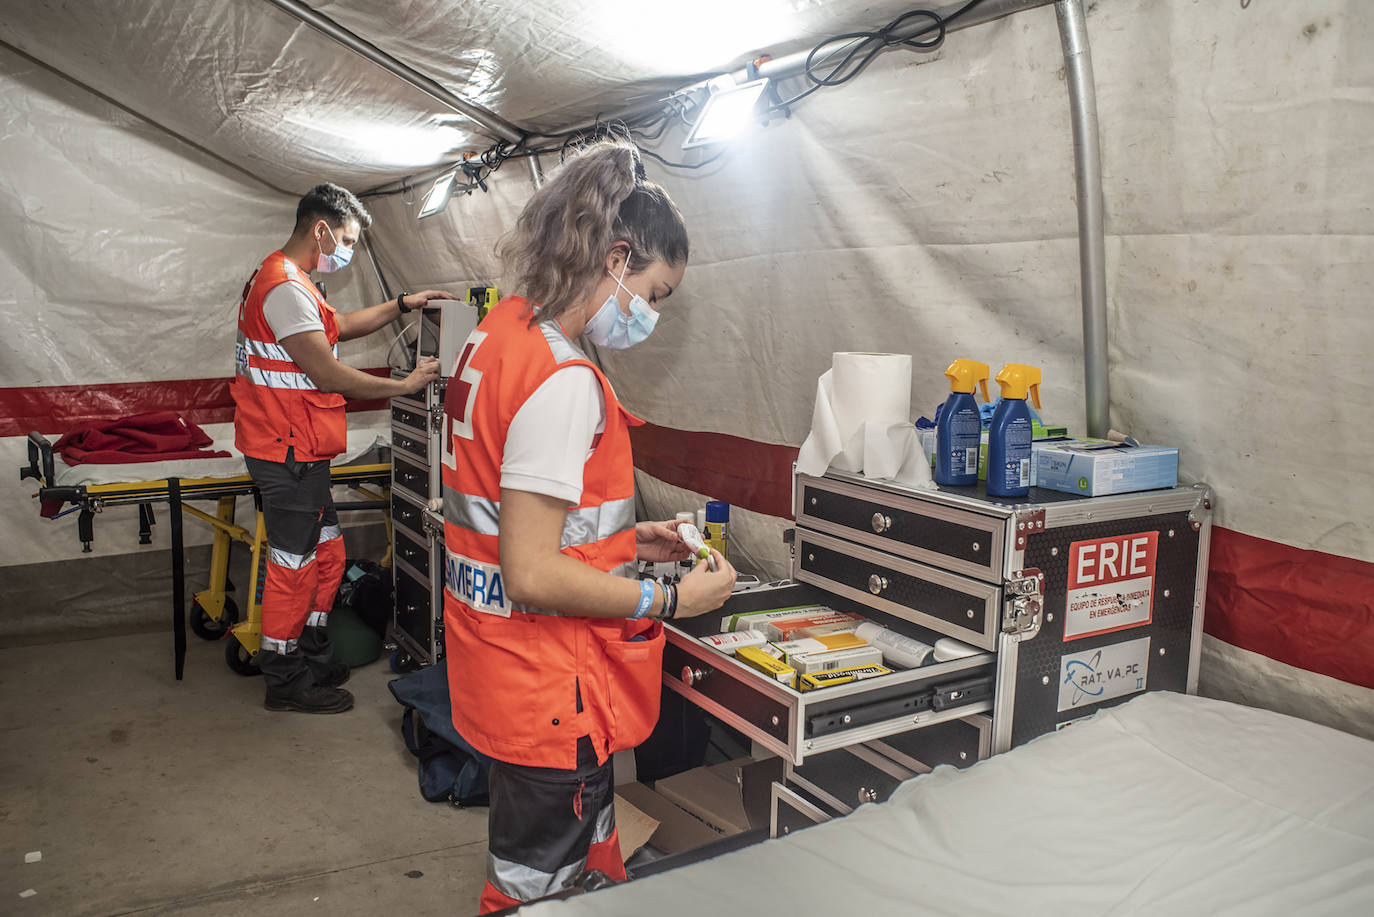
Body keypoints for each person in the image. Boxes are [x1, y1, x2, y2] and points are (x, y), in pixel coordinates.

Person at [439, 141, 739, 912]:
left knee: (576, 870)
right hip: (549, 686)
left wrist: (633, 542)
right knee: (534, 892)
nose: (651, 315)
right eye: (655, 293)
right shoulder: (563, 379)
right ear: (614, 257)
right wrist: (669, 603)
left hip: (497, 664)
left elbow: (511, 513)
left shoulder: (500, 333)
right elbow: (533, 571)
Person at [232, 182, 450, 714]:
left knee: (327, 554)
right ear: (321, 229)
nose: (347, 251)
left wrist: (403, 304)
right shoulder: (282, 286)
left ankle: (309, 652)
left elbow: (338, 329)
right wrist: (403, 386)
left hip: (304, 450)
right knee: (293, 565)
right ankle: (284, 679)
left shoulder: (298, 283)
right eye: (347, 239)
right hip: (287, 454)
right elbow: (326, 372)